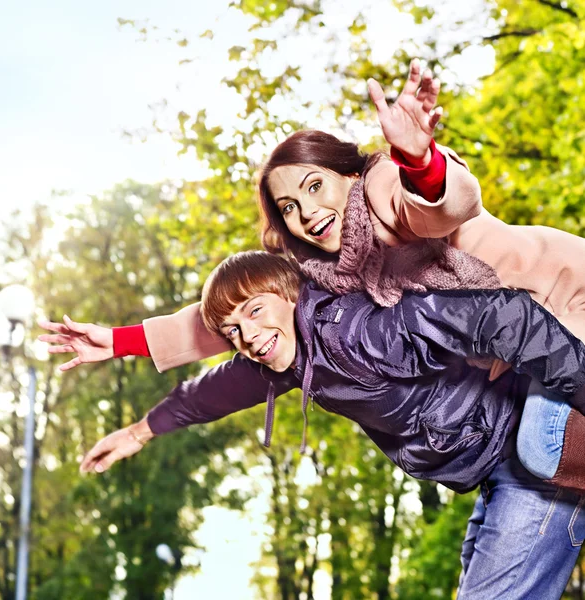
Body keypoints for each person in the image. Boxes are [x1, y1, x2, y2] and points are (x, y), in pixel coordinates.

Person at [41, 59, 585, 489]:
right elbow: (235, 319)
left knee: (540, 444)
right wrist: (118, 342)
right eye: (288, 208)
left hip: (562, 301)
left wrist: (421, 160)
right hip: (521, 350)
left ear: (347, 172)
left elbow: (445, 206)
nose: (306, 212)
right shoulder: (326, 274)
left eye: (314, 187)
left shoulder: (382, 188)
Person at [79, 251, 585, 599]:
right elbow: (210, 393)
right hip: (493, 470)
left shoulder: (360, 330)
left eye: (255, 312)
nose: (248, 336)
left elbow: (503, 315)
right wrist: (137, 432)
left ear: (291, 293)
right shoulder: (291, 357)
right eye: (233, 330)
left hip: (535, 457)